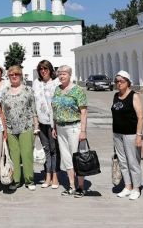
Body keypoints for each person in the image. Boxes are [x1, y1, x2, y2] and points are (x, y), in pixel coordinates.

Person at [52, 65, 88, 198]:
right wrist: (54, 126)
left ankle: (81, 186)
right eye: (60, 74)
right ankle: (71, 185)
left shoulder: (77, 90)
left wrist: (83, 131)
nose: (61, 76)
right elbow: (55, 110)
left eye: (64, 74)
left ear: (70, 75)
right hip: (60, 127)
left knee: (77, 156)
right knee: (66, 157)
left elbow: (83, 111)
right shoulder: (57, 89)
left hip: (74, 127)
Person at [1, 65, 38, 191]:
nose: (14, 76)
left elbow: (33, 109)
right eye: (11, 75)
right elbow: (3, 112)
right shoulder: (5, 92)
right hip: (10, 128)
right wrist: (4, 129)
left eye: (16, 74)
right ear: (9, 77)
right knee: (14, 155)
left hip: (26, 126)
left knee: (27, 153)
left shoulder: (28, 90)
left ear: (21, 75)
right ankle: (16, 180)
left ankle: (29, 180)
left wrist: (36, 126)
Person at [111, 70, 143, 200]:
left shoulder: (133, 96)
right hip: (117, 133)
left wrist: (139, 135)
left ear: (128, 82)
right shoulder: (115, 96)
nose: (119, 84)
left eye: (122, 81)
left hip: (131, 133)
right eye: (117, 81)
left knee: (133, 161)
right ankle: (128, 186)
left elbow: (140, 116)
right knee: (122, 161)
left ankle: (137, 188)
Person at [32, 60, 60, 189]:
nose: (43, 71)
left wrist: (55, 123)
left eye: (46, 69)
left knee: (54, 149)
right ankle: (47, 174)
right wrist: (35, 122)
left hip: (53, 122)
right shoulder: (36, 83)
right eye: (41, 69)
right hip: (41, 121)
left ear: (50, 70)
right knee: (46, 149)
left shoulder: (56, 83)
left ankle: (55, 175)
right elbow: (34, 103)